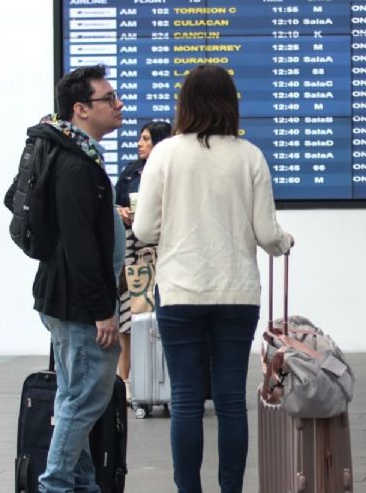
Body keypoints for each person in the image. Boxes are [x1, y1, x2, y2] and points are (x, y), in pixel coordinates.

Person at [133, 64, 293, 493]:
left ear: (184, 103)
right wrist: (284, 241)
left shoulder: (164, 154)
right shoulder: (250, 156)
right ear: (230, 104)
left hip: (181, 290)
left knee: (185, 399)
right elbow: (267, 235)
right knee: (229, 402)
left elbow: (145, 230)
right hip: (237, 292)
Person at [33, 64, 127, 491]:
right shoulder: (75, 165)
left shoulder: (76, 156)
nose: (118, 104)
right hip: (80, 306)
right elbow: (81, 248)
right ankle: (55, 485)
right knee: (83, 401)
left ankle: (82, 484)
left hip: (69, 301)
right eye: (108, 98)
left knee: (76, 400)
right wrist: (103, 311)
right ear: (80, 110)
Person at [114, 120, 171, 400]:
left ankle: (162, 382)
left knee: (159, 316)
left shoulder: (171, 171)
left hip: (162, 248)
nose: (139, 143)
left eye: (146, 139)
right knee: (128, 315)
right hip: (132, 250)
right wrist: (120, 211)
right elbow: (113, 202)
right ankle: (124, 381)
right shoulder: (129, 172)